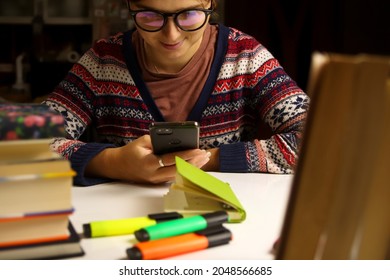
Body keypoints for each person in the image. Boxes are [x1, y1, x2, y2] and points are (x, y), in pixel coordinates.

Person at [43, 0, 309, 186]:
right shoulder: (102, 61)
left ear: (210, 4)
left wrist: (210, 160)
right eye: (150, 17)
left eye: (189, 15)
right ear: (130, 7)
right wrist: (112, 163)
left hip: (223, 220)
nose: (171, 35)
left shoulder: (246, 56)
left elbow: (319, 141)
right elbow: (22, 143)